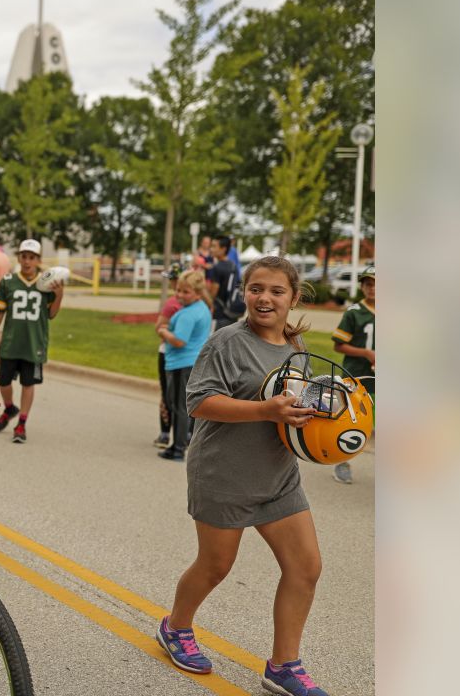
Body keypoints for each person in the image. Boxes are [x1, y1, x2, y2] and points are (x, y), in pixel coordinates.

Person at [156, 255, 331, 696]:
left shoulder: (297, 348)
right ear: (243, 292)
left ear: (293, 297)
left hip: (278, 475)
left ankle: (284, 665)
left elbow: (290, 410)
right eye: (256, 289)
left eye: (276, 290)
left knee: (306, 567)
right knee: (216, 566)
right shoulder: (225, 342)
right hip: (223, 472)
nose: (264, 298)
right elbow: (198, 402)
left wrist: (324, 423)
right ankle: (176, 628)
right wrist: (265, 409)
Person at [0, 239, 63, 443]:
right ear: (19, 257)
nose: (27, 261)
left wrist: (59, 294)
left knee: (28, 383)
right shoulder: (8, 281)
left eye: (32, 257)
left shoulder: (46, 283)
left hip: (34, 343)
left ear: (38, 260)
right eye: (24, 256)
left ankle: (22, 422)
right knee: (3, 381)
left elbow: (51, 314)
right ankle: (9, 407)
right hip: (11, 341)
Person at [155, 269, 212, 461]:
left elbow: (179, 341)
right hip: (190, 362)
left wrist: (163, 331)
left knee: (179, 406)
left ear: (197, 293)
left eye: (185, 292)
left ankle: (178, 448)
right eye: (178, 290)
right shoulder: (201, 308)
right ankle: (178, 443)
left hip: (182, 364)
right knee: (179, 405)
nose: (179, 295)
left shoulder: (188, 313)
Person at [329, 267, 375, 485]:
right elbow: (339, 345)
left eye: (376, 284)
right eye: (368, 284)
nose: (372, 288)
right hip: (357, 374)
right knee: (351, 421)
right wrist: (366, 353)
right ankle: (342, 461)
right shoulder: (354, 312)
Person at [153, 267, 185, 449]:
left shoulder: (172, 303)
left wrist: (167, 332)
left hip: (168, 353)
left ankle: (165, 433)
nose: (172, 284)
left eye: (172, 280)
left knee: (166, 394)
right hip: (191, 356)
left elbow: (159, 328)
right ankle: (186, 434)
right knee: (183, 397)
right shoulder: (200, 304)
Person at [205, 236, 244, 330]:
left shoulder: (218, 267)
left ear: (223, 249)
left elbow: (212, 295)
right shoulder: (232, 265)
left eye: (214, 246)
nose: (211, 249)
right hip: (232, 311)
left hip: (220, 314)